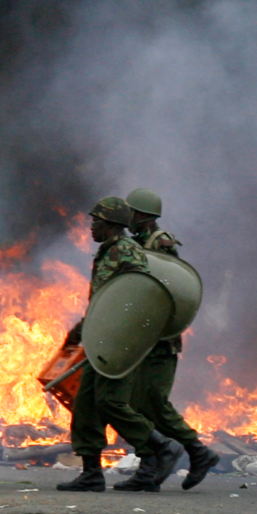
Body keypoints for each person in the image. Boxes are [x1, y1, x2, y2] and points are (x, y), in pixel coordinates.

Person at [57, 197, 184, 493]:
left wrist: (125, 335)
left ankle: (160, 446)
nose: (91, 227)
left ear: (112, 224)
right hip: (100, 340)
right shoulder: (106, 252)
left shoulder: (127, 251)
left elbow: (141, 293)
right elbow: (102, 303)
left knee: (109, 402)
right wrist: (79, 331)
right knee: (86, 404)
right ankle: (91, 473)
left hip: (119, 343)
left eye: (96, 221)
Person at [113, 188, 219, 492]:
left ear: (142, 215)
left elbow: (169, 287)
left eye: (131, 212)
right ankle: (149, 469)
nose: (128, 218)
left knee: (155, 404)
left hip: (160, 341)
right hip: (144, 337)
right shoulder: (137, 243)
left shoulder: (161, 243)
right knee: (138, 404)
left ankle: (199, 453)